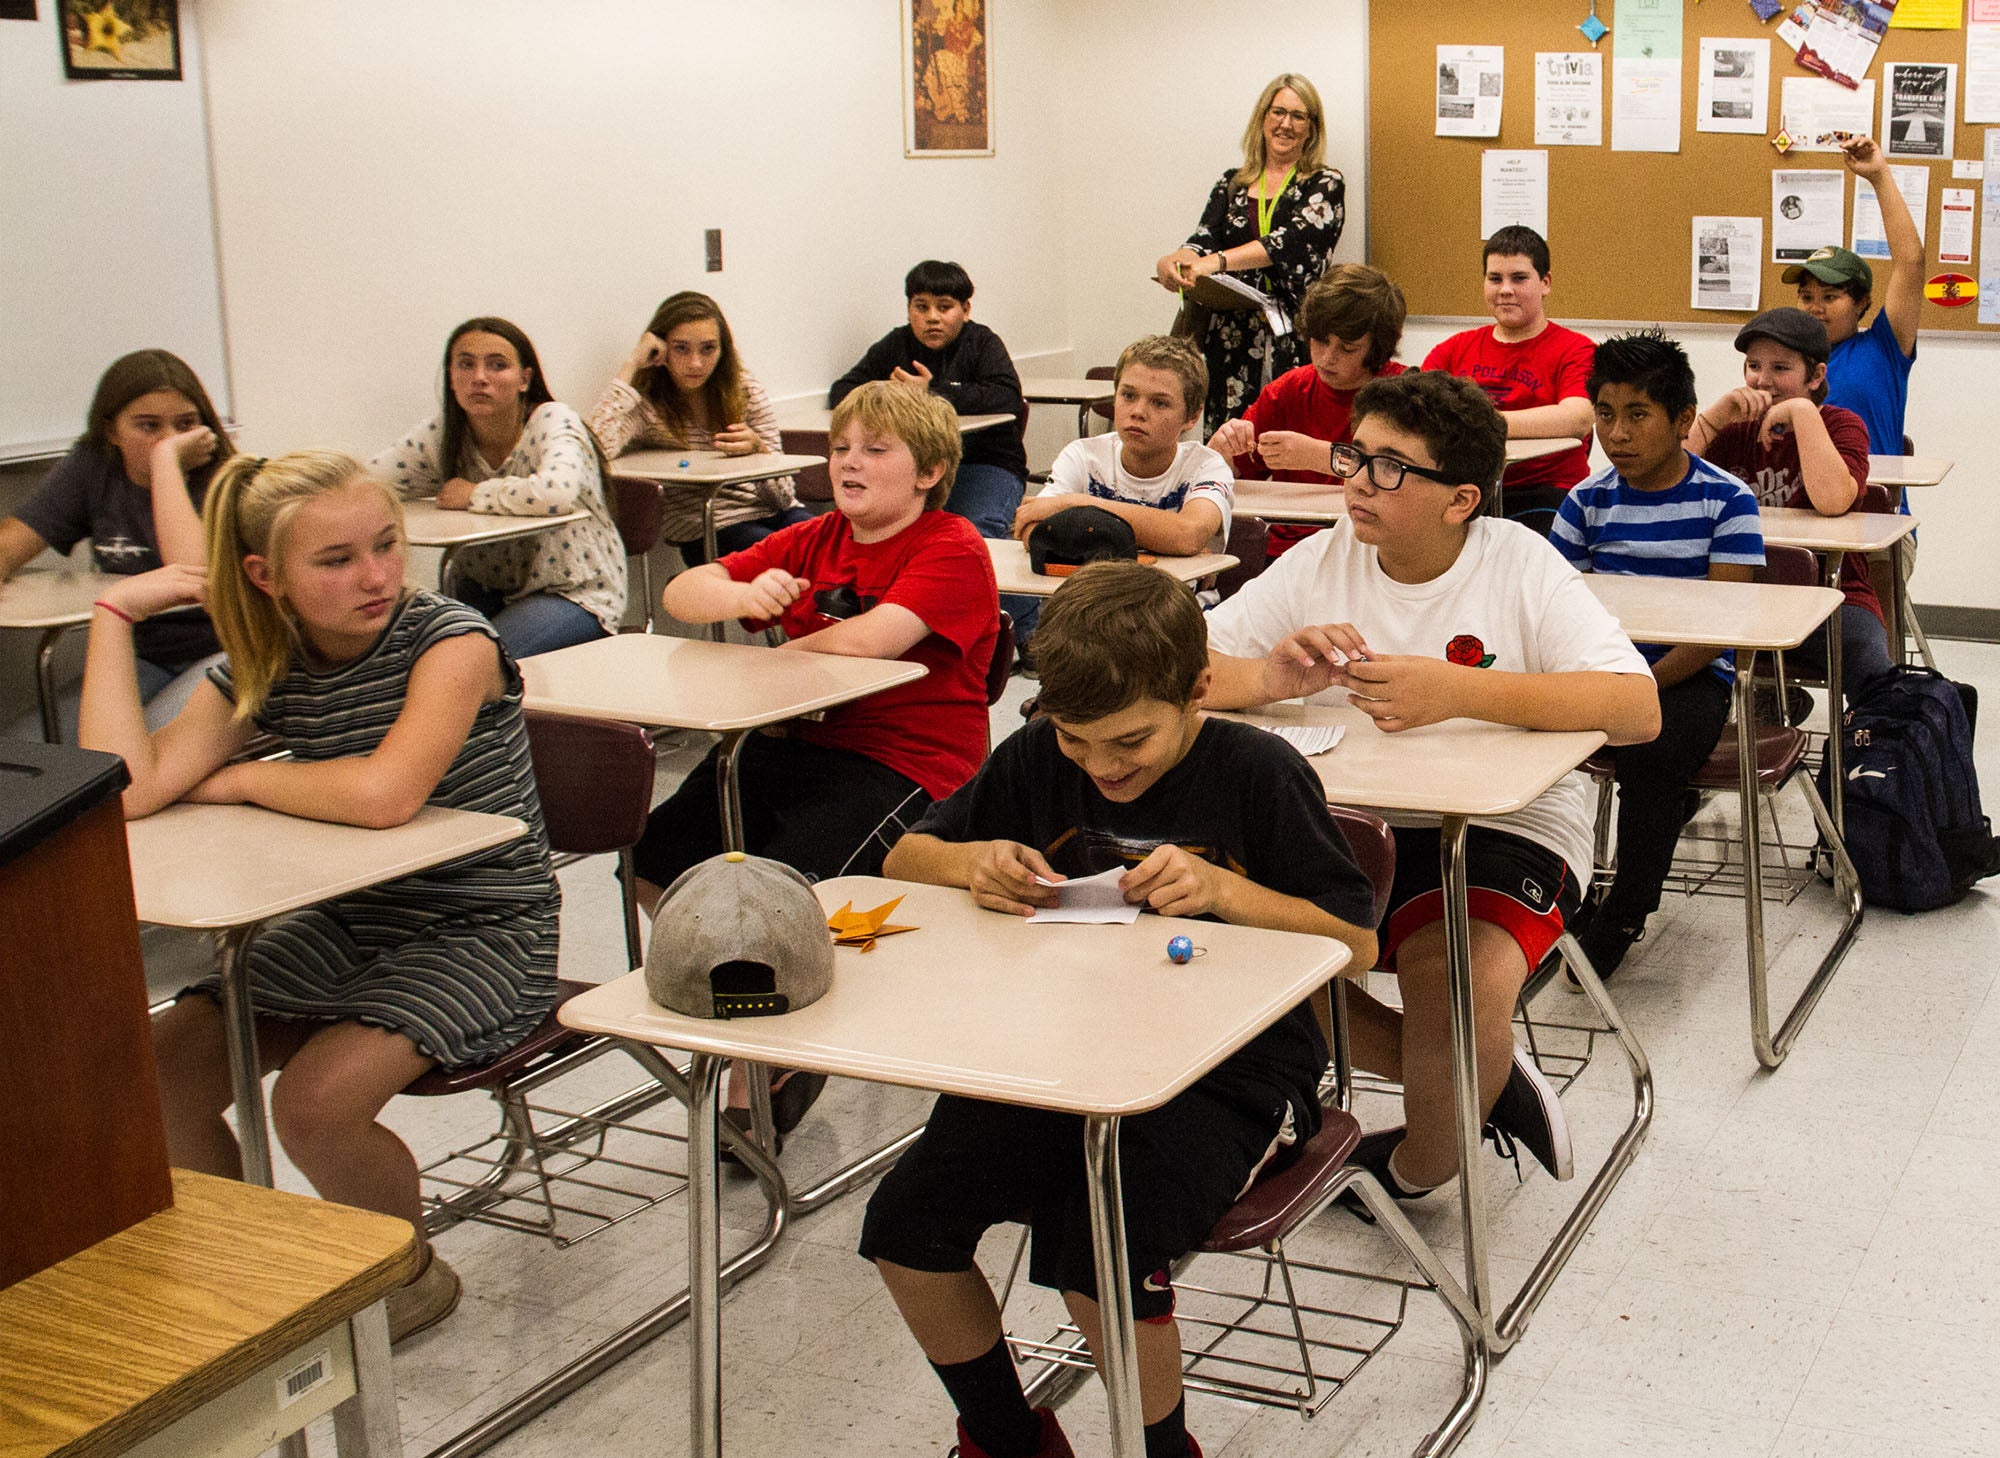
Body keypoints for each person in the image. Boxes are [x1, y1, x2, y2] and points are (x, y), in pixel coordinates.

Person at [865, 560, 1378, 1458]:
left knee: (1096, 1250)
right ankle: (1005, 1438)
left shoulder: (1260, 772)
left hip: (1235, 1070)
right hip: (1056, 1052)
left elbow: (1354, 942)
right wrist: (972, 863)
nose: (1102, 770)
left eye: (1130, 742)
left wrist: (1224, 888)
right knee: (906, 1224)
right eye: (1076, 742)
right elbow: (904, 858)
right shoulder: (1035, 757)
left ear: (1197, 690)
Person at [79, 449, 561, 1344]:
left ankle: (406, 1276)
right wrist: (113, 613)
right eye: (335, 561)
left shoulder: (449, 639)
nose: (376, 576)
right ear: (267, 577)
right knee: (155, 1076)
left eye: (385, 545)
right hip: (351, 917)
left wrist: (242, 781)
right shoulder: (265, 663)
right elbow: (127, 787)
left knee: (312, 1106)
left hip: (485, 925)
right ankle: (252, 1268)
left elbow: (386, 795)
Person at [1202, 370, 1659, 1201]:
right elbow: (1181, 667)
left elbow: (1636, 708)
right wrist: (1269, 679)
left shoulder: (1519, 561)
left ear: (1459, 500)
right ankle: (1478, 1068)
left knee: (1454, 976)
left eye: (1388, 467)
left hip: (1507, 821)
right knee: (1227, 950)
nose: (1354, 481)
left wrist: (1459, 692)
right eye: (1354, 456)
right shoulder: (1323, 557)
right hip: (1351, 818)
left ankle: (1415, 1167)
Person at [632, 381, 998, 1148]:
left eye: (875, 449)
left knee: (780, 896)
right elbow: (683, 590)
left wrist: (771, 660)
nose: (848, 464)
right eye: (838, 449)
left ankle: (765, 1064)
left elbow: (872, 641)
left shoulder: (950, 546)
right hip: (792, 741)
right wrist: (739, 586)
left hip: (906, 762)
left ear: (928, 472)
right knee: (654, 857)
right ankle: (758, 994)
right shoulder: (813, 536)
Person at [1551, 330, 1765, 978]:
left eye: (1637, 415)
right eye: (1605, 414)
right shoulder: (1585, 502)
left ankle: (1626, 909)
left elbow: (1716, 632)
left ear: (1682, 421)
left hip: (1687, 674)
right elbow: (1559, 609)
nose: (1617, 433)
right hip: (1603, 666)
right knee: (1522, 741)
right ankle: (1551, 894)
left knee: (1653, 751)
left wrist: (1641, 679)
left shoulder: (1727, 501)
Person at [0, 349, 232, 739]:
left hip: (225, 653)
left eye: (185, 424)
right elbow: (12, 541)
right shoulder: (93, 466)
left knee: (132, 755)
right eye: (148, 426)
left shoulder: (228, 477)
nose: (170, 438)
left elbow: (192, 579)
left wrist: (165, 463)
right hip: (143, 655)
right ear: (111, 431)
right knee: (28, 747)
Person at [372, 316, 626, 657]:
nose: (479, 378)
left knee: (475, 662)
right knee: (406, 651)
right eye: (465, 364)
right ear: (450, 376)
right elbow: (370, 481)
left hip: (574, 591)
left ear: (525, 379)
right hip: (484, 586)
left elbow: (556, 493)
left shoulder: (551, 419)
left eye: (497, 365)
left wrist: (474, 494)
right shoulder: (443, 433)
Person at [1686, 307, 1893, 702]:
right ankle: (1769, 708)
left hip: (1831, 598)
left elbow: (1832, 501)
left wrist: (1801, 413)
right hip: (1739, 595)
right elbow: (1665, 479)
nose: (1762, 380)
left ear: (1816, 376)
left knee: (1874, 675)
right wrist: (1716, 416)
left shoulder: (1843, 426)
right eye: (1752, 366)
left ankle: (1870, 747)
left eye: (1780, 368)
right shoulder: (1734, 429)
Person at [1153, 73, 1347, 436]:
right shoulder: (1233, 183)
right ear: (1262, 118)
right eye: (1277, 112)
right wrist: (1174, 261)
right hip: (1229, 339)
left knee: (1284, 442)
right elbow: (1203, 239)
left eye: (1298, 116)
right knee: (1228, 442)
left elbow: (1285, 243)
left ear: (1311, 129)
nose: (1285, 124)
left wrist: (1217, 262)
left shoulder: (1324, 183)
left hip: (1290, 336)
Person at [585, 290, 811, 565]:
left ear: (722, 350)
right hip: (706, 526)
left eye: (708, 349)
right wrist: (631, 365)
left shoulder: (745, 392)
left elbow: (784, 496)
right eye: (681, 348)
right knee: (779, 558)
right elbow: (591, 450)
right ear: (661, 349)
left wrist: (760, 451)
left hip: (772, 510)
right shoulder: (649, 405)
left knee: (832, 543)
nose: (696, 363)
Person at [1208, 262, 1407, 558]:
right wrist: (1221, 449)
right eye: (1320, 340)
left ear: (1378, 348)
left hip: (1369, 549)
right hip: (1287, 550)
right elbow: (1230, 472)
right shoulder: (1290, 388)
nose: (1327, 358)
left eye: (1347, 348)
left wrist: (1319, 456)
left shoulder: (1403, 392)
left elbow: (1412, 482)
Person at [828, 259, 1027, 543]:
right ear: (909, 310)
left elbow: (1007, 397)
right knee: (889, 533)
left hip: (986, 461)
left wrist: (931, 392)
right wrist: (894, 397)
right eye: (921, 307)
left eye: (944, 307)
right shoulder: (896, 344)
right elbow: (842, 390)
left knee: (975, 533)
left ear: (965, 310)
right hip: (915, 469)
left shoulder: (982, 342)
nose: (932, 317)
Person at [1421, 226, 1595, 537]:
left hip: (1548, 492)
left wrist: (1482, 423)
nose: (1505, 289)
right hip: (1467, 490)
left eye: (1519, 278)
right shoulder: (1452, 350)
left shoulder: (1576, 349)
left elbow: (1577, 418)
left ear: (1545, 283)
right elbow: (1419, 415)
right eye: (1495, 279)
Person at [1012, 334, 1232, 557]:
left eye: (1159, 403)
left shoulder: (1207, 466)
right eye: (1128, 395)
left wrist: (1075, 505)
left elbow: (1188, 536)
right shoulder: (1082, 455)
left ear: (1192, 416)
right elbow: (1031, 528)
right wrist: (1160, 540)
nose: (1137, 412)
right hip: (1088, 590)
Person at [1786, 136, 1921, 461]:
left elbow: (1911, 262)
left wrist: (1879, 175)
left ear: (1861, 302)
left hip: (1875, 502)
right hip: (1804, 503)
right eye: (1806, 297)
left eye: (1830, 296)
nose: (1815, 307)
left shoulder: (1885, 348)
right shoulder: (1785, 363)